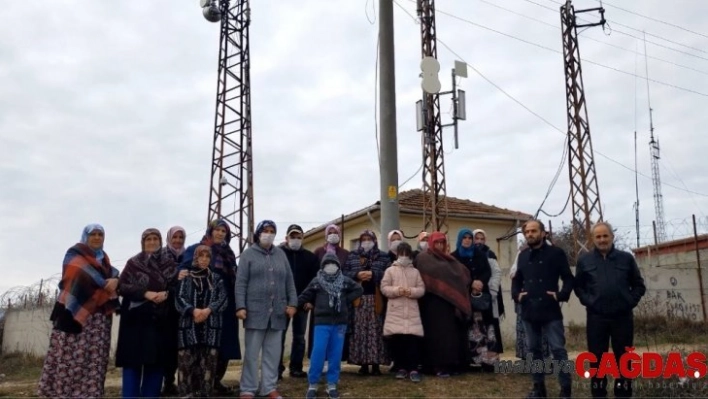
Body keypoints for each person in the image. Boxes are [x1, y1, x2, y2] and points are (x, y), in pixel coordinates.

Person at [37, 224, 120, 398]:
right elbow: (79, 275)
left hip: (98, 322)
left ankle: (90, 394)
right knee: (70, 358)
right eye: (93, 234)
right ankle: (63, 393)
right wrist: (107, 283)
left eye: (100, 234)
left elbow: (113, 277)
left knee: (94, 360)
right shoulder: (74, 254)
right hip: (74, 316)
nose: (97, 238)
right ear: (85, 236)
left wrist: (115, 280)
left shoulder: (104, 260)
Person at [575, 221, 646, 398]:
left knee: (623, 359)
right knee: (597, 360)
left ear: (612, 237)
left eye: (605, 235)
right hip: (596, 318)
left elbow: (639, 285)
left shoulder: (626, 258)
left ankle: (623, 394)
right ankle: (599, 395)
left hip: (622, 318)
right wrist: (589, 302)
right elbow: (579, 287)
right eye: (598, 236)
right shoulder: (584, 260)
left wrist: (629, 302)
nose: (602, 239)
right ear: (593, 239)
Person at [511, 220, 574, 399]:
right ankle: (539, 389)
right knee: (534, 350)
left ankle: (566, 390)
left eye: (533, 231)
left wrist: (561, 295)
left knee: (558, 350)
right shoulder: (522, 256)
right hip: (529, 310)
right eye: (527, 232)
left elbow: (569, 279)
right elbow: (516, 280)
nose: (530, 234)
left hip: (550, 309)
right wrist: (517, 295)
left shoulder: (556, 253)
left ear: (543, 233)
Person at [235, 220, 298, 399]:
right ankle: (248, 388)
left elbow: (289, 282)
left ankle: (269, 387)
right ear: (258, 233)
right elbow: (240, 283)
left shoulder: (281, 254)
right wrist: (240, 306)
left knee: (273, 353)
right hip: (254, 311)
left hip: (278, 313)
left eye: (272, 231)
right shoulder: (248, 254)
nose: (268, 234)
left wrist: (292, 304)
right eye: (265, 231)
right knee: (252, 354)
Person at [115, 228, 179, 398]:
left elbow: (177, 287)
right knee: (132, 364)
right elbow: (122, 286)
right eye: (148, 239)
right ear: (143, 242)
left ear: (160, 241)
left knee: (155, 364)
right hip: (135, 322)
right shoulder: (133, 263)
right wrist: (145, 293)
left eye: (155, 239)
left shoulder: (170, 264)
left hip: (159, 321)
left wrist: (167, 294)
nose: (152, 242)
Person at [180, 219, 241, 394]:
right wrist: (180, 272)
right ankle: (198, 384)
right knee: (202, 344)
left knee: (224, 345)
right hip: (200, 306)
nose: (220, 233)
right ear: (210, 231)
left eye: (224, 231)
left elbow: (234, 279)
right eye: (217, 230)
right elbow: (183, 269)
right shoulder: (196, 249)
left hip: (224, 306)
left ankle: (214, 381)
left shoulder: (229, 254)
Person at [298, 253, 364, 399]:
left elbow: (359, 290)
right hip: (322, 323)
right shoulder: (317, 281)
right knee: (318, 352)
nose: (330, 266)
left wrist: (346, 299)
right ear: (322, 266)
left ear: (338, 266)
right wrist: (292, 305)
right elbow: (305, 296)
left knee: (335, 354)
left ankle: (332, 384)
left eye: (333, 263)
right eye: (327, 263)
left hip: (340, 323)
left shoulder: (345, 281)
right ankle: (313, 384)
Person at [415, 232, 471, 377]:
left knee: (450, 337)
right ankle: (434, 366)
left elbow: (463, 274)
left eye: (442, 242)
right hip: (431, 304)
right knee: (435, 336)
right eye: (437, 242)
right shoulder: (423, 258)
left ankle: (451, 365)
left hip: (449, 305)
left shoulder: (450, 260)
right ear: (431, 243)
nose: (439, 245)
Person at [174, 244, 228, 397]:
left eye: (207, 256)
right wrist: (193, 311)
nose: (204, 260)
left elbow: (223, 299)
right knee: (186, 364)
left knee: (208, 365)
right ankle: (186, 393)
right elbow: (179, 298)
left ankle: (205, 393)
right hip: (188, 328)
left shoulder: (216, 279)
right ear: (195, 258)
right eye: (200, 256)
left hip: (211, 329)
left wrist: (208, 310)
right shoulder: (186, 277)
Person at [342, 230, 391, 375]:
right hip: (359, 299)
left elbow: (390, 273)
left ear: (375, 240)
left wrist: (374, 274)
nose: (367, 241)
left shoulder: (383, 256)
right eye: (364, 238)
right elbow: (344, 274)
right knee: (360, 331)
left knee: (376, 331)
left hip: (377, 298)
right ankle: (363, 364)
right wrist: (357, 275)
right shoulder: (353, 256)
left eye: (369, 238)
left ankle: (376, 364)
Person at [277, 224, 320, 379]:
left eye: (298, 237)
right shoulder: (278, 254)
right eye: (292, 236)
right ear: (286, 238)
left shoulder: (311, 257)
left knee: (299, 337)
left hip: (303, 303)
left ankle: (296, 367)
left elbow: (316, 281)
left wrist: (311, 300)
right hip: (283, 303)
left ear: (302, 238)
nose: (295, 239)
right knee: (279, 336)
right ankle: (277, 369)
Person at [451, 228, 497, 369]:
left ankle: (487, 362)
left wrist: (480, 282)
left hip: (481, 295)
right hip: (464, 296)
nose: (467, 240)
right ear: (460, 239)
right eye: (464, 237)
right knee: (467, 328)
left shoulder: (480, 254)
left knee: (484, 327)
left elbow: (487, 271)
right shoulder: (454, 256)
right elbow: (454, 275)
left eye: (469, 238)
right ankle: (468, 361)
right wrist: (471, 283)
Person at [380, 242, 425, 382]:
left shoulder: (415, 272)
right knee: (397, 342)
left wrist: (411, 291)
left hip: (411, 311)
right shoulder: (390, 271)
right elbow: (384, 287)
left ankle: (413, 369)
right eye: (402, 254)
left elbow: (421, 289)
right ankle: (401, 368)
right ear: (397, 255)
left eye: (407, 254)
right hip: (396, 311)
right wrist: (397, 290)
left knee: (412, 342)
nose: (404, 257)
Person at [472, 229, 505, 357]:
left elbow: (496, 273)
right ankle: (477, 357)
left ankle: (491, 358)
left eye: (482, 239)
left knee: (490, 326)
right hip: (474, 295)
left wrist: (491, 290)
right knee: (476, 326)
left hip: (489, 297)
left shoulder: (489, 254)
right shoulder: (469, 254)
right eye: (477, 238)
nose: (479, 241)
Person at [162, 225, 187, 395]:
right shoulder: (162, 255)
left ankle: (177, 383)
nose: (177, 241)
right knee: (167, 346)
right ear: (169, 238)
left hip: (183, 308)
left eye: (180, 237)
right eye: (175, 237)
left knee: (181, 346)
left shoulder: (187, 255)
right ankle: (167, 382)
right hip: (166, 308)